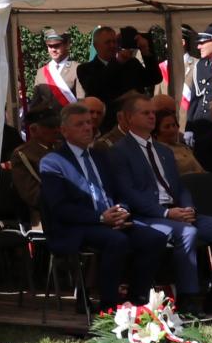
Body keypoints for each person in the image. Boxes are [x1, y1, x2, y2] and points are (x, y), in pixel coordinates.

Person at [105, 90, 212, 315]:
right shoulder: (119, 152)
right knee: (187, 233)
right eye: (145, 113)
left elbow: (179, 187)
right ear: (129, 118)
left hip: (176, 212)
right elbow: (128, 194)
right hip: (147, 217)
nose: (152, 116)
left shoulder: (164, 151)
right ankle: (187, 298)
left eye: (153, 112)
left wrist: (188, 208)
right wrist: (167, 214)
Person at [37, 102, 165, 312]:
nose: (88, 128)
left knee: (154, 238)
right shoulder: (53, 162)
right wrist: (100, 218)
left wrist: (121, 211)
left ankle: (136, 300)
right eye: (80, 124)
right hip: (76, 225)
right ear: (64, 131)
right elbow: (60, 208)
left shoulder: (100, 156)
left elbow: (118, 193)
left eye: (89, 123)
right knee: (116, 241)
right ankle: (109, 305)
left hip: (110, 221)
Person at [6, 109, 62, 220]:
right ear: (33, 129)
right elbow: (33, 195)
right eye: (50, 126)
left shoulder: (63, 148)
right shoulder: (23, 155)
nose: (56, 130)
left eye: (57, 125)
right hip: (45, 216)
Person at [180, 26, 212, 130]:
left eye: (202, 43)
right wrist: (189, 128)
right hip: (199, 124)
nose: (198, 47)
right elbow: (194, 100)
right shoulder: (199, 65)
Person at [150, 97, 203, 174]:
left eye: (174, 125)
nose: (172, 129)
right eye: (167, 127)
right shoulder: (154, 151)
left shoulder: (183, 145)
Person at [30, 30, 81, 110]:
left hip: (69, 116)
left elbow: (82, 101)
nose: (53, 49)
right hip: (46, 117)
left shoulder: (77, 69)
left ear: (67, 45)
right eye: (50, 46)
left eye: (57, 45)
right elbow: (35, 104)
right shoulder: (41, 72)